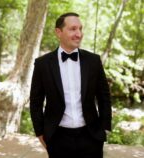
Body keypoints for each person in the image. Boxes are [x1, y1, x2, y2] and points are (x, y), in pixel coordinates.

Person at [29, 12, 112, 158]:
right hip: (57, 138)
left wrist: (105, 128)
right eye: (73, 29)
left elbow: (104, 96)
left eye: (80, 29)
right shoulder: (42, 64)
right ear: (58, 32)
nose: (79, 34)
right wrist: (40, 133)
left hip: (91, 137)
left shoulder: (93, 61)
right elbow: (36, 101)